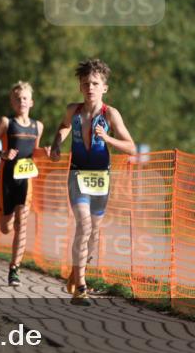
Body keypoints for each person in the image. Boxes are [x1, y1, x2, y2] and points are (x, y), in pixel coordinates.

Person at [50, 59, 136, 304]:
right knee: (84, 225)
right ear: (80, 86)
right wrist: (57, 143)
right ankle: (81, 289)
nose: (90, 87)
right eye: (86, 83)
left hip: (101, 178)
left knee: (94, 234)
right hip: (77, 174)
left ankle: (77, 273)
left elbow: (131, 147)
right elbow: (64, 127)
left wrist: (108, 139)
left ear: (104, 88)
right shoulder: (73, 110)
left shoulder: (111, 114)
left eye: (95, 83)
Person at [0, 83, 48, 286]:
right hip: (6, 178)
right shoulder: (5, 123)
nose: (22, 102)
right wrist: (2, 153)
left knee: (22, 223)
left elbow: (33, 151)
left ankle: (14, 269)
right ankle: (7, 228)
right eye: (18, 99)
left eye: (25, 98)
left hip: (26, 179)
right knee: (5, 227)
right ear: (12, 102)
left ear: (32, 102)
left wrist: (43, 152)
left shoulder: (38, 126)